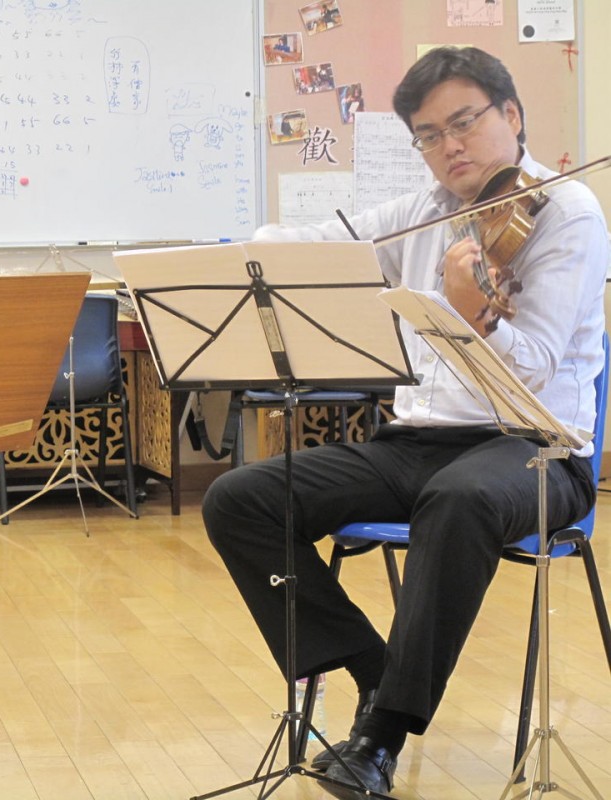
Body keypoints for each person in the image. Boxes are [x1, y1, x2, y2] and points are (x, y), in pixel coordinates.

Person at [203, 46, 607, 799]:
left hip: (535, 451)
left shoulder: (566, 215)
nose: (449, 146)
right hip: (417, 444)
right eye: (428, 135)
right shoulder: (423, 211)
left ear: (511, 115)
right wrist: (257, 248)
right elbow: (323, 246)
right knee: (241, 498)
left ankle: (380, 739)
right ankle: (375, 673)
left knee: (458, 499)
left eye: (464, 123)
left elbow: (534, 373)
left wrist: (474, 317)